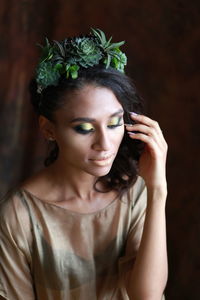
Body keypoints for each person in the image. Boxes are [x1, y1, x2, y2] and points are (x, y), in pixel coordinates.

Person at [0, 29, 168, 300]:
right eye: (84, 128)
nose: (105, 143)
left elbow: (146, 295)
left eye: (114, 123)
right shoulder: (19, 216)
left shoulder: (136, 192)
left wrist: (157, 190)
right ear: (48, 129)